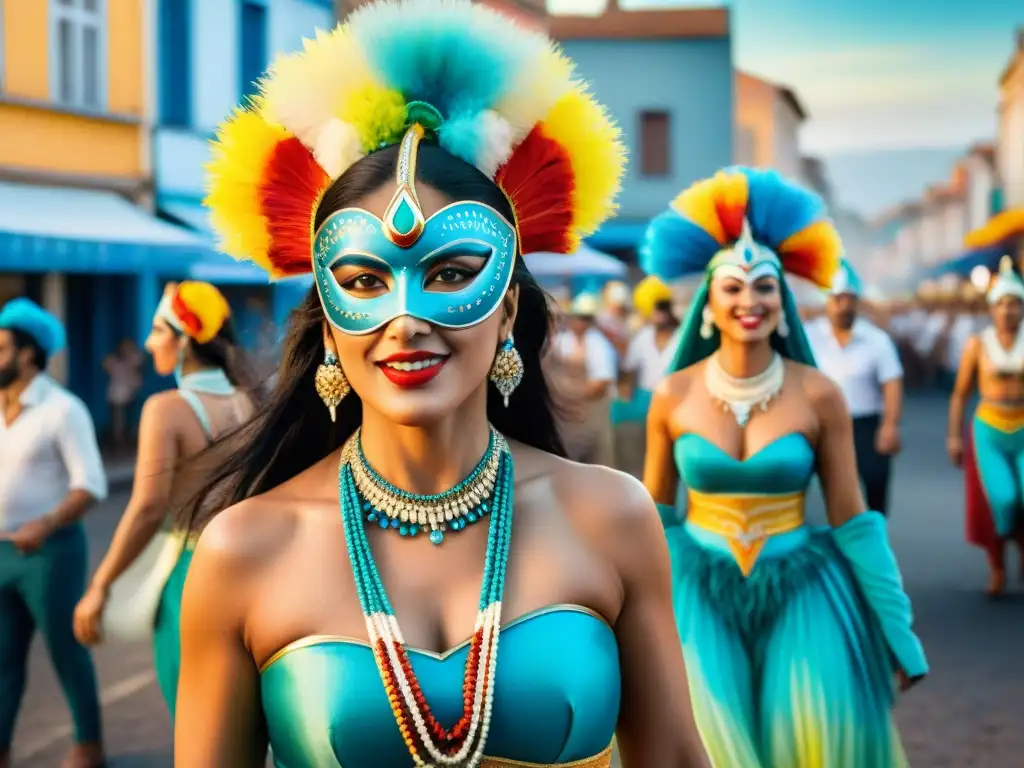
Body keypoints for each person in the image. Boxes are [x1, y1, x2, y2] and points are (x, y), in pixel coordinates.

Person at [175, 1, 710, 766]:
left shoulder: (610, 516)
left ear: (507, 310)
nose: (406, 319)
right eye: (363, 280)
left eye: (452, 274)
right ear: (328, 321)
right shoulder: (244, 548)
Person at [641, 168, 928, 767]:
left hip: (804, 590)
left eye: (765, 287)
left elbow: (853, 516)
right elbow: (653, 516)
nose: (750, 301)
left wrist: (895, 628)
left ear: (785, 303)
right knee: (711, 746)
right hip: (698, 592)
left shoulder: (820, 394)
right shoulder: (672, 394)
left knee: (810, 740)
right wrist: (620, 617)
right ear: (708, 305)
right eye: (735, 288)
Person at [73, 281, 256, 715]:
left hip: (193, 575)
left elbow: (148, 507)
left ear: (184, 339)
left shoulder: (166, 408)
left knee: (195, 719)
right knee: (244, 719)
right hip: (251, 569)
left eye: (158, 330)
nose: (148, 341)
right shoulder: (253, 399)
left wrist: (100, 585)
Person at [0, 299, 107, 768]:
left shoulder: (63, 409)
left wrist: (44, 524)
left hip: (51, 552)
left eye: (0, 347)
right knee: (2, 660)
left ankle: (89, 744)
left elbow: (92, 484)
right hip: (2, 551)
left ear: (28, 354)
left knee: (66, 650)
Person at [948, 256, 1024, 596]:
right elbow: (960, 394)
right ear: (992, 309)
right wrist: (954, 437)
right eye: (1002, 304)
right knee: (1003, 498)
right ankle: (997, 566)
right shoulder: (977, 344)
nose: (1008, 311)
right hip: (990, 428)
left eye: (1015, 304)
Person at [805, 260, 903, 515]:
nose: (843, 307)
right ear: (827, 302)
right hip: (824, 425)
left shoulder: (876, 340)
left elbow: (892, 382)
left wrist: (890, 425)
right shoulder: (811, 336)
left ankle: (875, 540)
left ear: (857, 303)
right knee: (830, 490)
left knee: (874, 485)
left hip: (865, 425)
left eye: (849, 300)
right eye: (837, 300)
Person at [555, 292, 619, 466]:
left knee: (597, 462)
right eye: (575, 318)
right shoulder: (562, 341)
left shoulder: (598, 344)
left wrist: (570, 395)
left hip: (593, 414)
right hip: (568, 418)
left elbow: (601, 384)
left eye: (582, 319)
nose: (577, 322)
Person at [103, 338, 143, 451]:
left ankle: (128, 441)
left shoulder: (133, 361)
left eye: (129, 348)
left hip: (131, 396)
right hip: (116, 397)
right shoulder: (115, 362)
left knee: (131, 421)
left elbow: (139, 362)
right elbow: (105, 364)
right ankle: (118, 444)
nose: (126, 350)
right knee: (117, 423)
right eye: (124, 348)